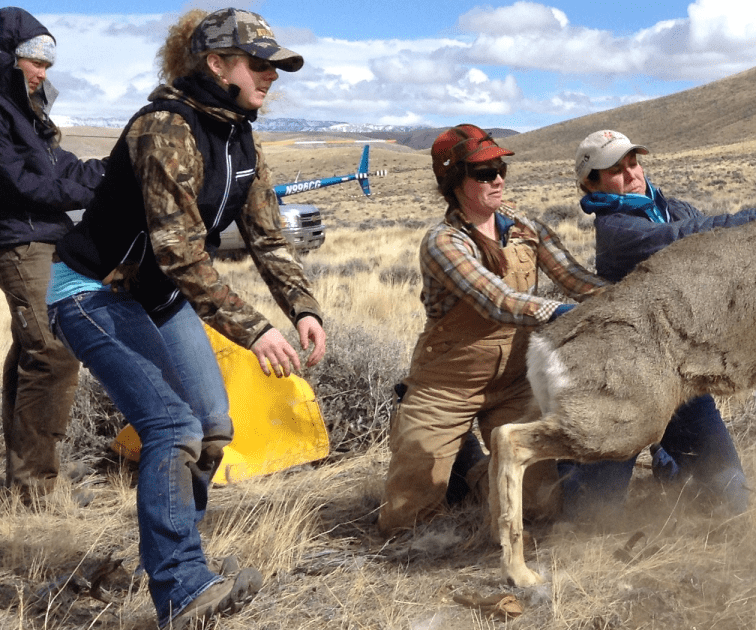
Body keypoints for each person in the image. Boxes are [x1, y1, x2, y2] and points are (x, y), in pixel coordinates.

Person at [46, 8, 325, 627]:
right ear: (216, 63)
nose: (271, 76)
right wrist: (256, 330)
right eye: (259, 64)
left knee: (211, 426)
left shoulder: (240, 136)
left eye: (275, 66)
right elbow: (179, 253)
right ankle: (181, 588)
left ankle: (184, 564)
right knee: (173, 427)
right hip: (90, 292)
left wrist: (302, 307)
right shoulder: (166, 127)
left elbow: (268, 238)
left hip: (155, 294)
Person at [559, 129, 756, 520]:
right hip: (625, 385)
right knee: (590, 516)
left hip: (682, 378)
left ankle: (665, 459)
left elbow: (724, 237)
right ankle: (563, 461)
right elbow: (695, 238)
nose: (632, 174)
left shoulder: (671, 207)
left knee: (732, 500)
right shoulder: (619, 231)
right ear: (592, 183)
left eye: (633, 162)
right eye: (615, 171)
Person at [378, 124, 608, 536]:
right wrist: (565, 313)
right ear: (454, 181)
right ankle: (459, 456)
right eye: (483, 173)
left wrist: (626, 298)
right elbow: (498, 301)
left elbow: (573, 276)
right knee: (404, 522)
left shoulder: (525, 226)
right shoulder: (443, 242)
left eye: (499, 167)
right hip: (445, 388)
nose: (498, 178)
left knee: (540, 507)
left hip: (513, 384)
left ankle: (473, 472)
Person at [0, 7, 105, 500]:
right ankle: (35, 491)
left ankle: (26, 478)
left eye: (48, 64)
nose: (42, 72)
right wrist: (88, 191)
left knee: (31, 349)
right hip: (20, 240)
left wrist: (107, 172)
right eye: (33, 61)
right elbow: (25, 184)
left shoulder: (27, 109)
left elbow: (58, 167)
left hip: (43, 236)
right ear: (6, 56)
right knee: (53, 351)